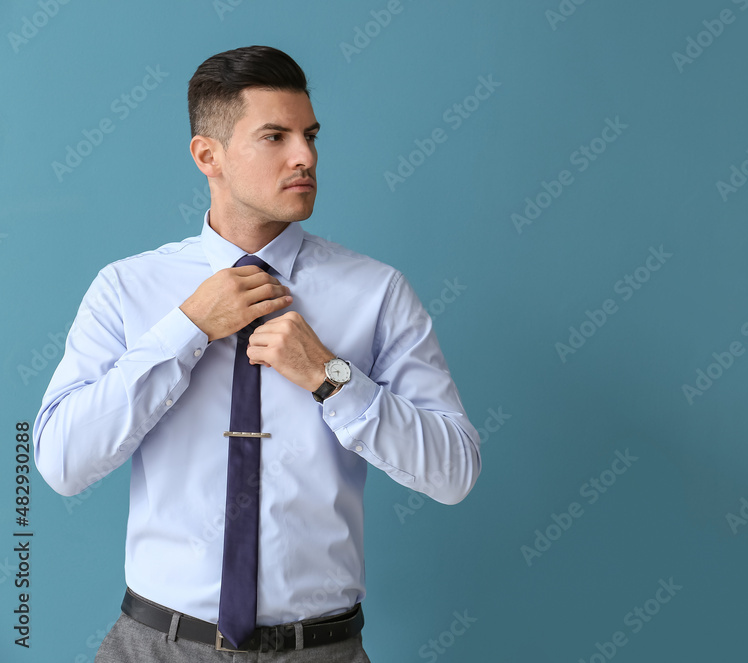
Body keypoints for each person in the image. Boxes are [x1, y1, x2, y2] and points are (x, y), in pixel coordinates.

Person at [33, 45, 481, 662]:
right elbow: (61, 463)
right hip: (157, 647)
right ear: (207, 155)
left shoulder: (375, 293)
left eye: (310, 135)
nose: (306, 156)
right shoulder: (127, 289)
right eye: (275, 136)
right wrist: (185, 330)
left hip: (320, 651)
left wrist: (333, 379)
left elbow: (454, 471)